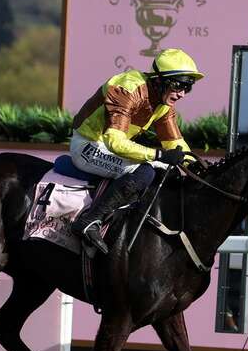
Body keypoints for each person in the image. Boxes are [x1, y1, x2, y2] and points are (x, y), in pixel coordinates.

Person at [68, 48, 203, 254]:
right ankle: (90, 221)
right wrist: (158, 155)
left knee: (170, 172)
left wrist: (198, 169)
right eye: (179, 85)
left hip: (109, 148)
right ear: (159, 80)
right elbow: (114, 141)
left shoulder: (163, 104)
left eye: (188, 87)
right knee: (145, 171)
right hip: (88, 145)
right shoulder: (127, 87)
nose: (183, 93)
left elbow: (176, 144)